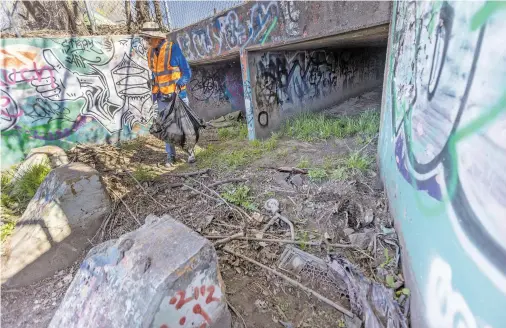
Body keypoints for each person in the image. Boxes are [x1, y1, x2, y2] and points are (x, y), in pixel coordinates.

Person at [140, 22, 194, 167]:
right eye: (146, 38)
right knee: (167, 128)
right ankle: (171, 156)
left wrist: (180, 83)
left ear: (156, 37)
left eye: (148, 38)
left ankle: (190, 152)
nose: (147, 41)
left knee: (184, 125)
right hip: (162, 97)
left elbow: (187, 72)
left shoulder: (172, 49)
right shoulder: (150, 53)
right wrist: (153, 84)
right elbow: (156, 73)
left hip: (178, 96)